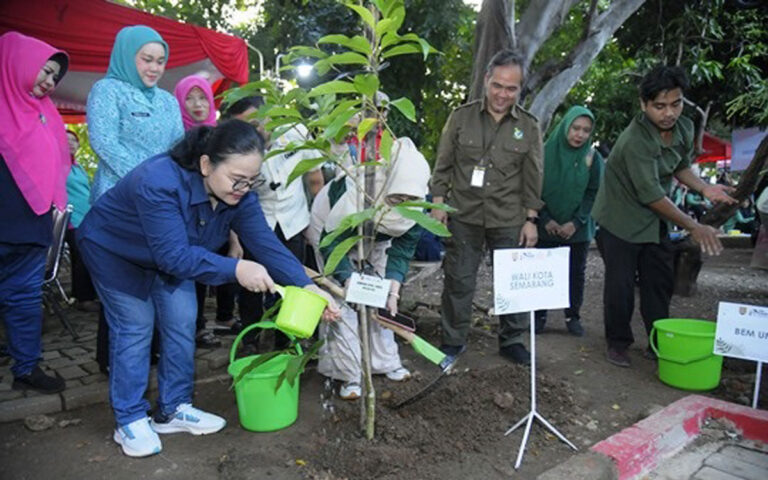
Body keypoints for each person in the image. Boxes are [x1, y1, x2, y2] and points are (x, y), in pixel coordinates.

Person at [77, 120, 340, 458]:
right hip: (116, 252)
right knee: (135, 327)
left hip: (172, 257)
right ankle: (129, 419)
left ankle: (173, 408)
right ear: (205, 164)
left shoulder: (239, 195)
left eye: (251, 180)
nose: (243, 188)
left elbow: (264, 242)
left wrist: (308, 286)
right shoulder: (158, 181)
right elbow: (173, 256)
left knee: (183, 321)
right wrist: (236, 268)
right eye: (236, 179)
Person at [592, 64, 736, 368]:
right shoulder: (635, 141)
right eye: (659, 106)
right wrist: (694, 226)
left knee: (658, 282)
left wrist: (705, 188)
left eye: (676, 103)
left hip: (652, 221)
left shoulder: (683, 127)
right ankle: (618, 343)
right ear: (644, 105)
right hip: (619, 221)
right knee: (620, 286)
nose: (669, 112)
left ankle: (659, 342)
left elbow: (680, 166)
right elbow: (652, 195)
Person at [429, 49, 544, 365]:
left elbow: (534, 175)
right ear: (486, 80)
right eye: (498, 85)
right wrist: (438, 204)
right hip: (464, 215)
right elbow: (443, 166)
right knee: (459, 280)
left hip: (508, 217)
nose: (503, 95)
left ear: (520, 89)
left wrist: (531, 219)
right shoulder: (461, 117)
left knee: (511, 283)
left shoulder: (529, 126)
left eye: (511, 88)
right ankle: (453, 341)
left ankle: (512, 340)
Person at [87, 25, 184, 372]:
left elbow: (177, 148)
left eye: (160, 61)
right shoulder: (107, 90)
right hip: (119, 202)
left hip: (159, 203)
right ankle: (112, 360)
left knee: (159, 275)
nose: (154, 68)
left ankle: (152, 354)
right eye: (146, 59)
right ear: (128, 56)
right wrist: (149, 181)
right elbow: (104, 143)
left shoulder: (168, 101)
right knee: (121, 283)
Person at [310, 137, 428, 399]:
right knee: (343, 305)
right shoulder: (358, 192)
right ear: (388, 186)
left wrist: (393, 292)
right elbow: (331, 244)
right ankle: (349, 374)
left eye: (411, 199)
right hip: (332, 231)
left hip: (377, 239)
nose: (405, 203)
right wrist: (347, 280)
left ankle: (385, 361)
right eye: (398, 198)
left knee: (381, 299)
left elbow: (402, 250)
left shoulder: (420, 204)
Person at [0, 32, 71, 394]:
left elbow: (57, 166)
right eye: (45, 70)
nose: (49, 81)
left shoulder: (45, 115)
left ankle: (26, 367)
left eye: (54, 77)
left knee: (25, 300)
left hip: (31, 224)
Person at [534, 106, 604, 336]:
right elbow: (532, 190)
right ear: (565, 126)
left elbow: (594, 193)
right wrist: (546, 219)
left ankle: (572, 316)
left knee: (575, 273)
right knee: (542, 273)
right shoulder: (543, 153)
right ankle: (539, 316)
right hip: (545, 227)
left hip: (578, 230)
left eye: (586, 130)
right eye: (575, 128)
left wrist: (576, 222)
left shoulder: (593, 159)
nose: (580, 135)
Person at [173, 74, 228, 348]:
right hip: (183, 216)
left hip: (214, 216)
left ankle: (200, 325)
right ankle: (187, 329)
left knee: (206, 272)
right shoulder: (174, 138)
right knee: (185, 273)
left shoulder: (221, 139)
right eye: (189, 98)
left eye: (203, 97)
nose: (197, 104)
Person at [64, 130, 98, 312]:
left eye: (73, 140)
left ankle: (84, 294)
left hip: (88, 217)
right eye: (66, 140)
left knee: (86, 256)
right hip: (71, 219)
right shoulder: (57, 165)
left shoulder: (78, 168)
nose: (70, 143)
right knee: (83, 256)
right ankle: (84, 298)